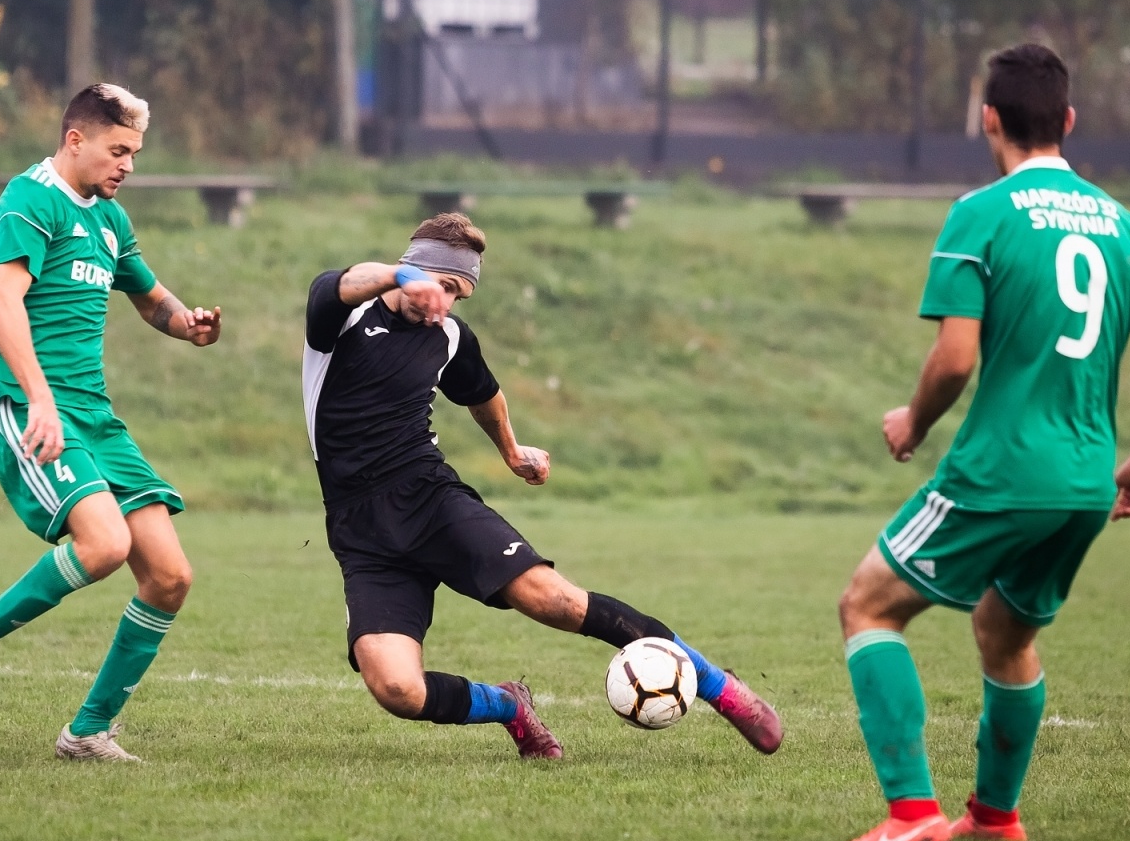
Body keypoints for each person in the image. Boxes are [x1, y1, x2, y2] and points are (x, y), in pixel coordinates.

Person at [836, 44, 1130, 841]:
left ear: (988, 119)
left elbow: (956, 357)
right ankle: (995, 819)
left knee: (867, 605)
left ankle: (910, 812)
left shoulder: (982, 213)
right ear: (1068, 121)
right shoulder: (1121, 224)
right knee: (1006, 633)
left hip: (1001, 471)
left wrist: (914, 423)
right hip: (1085, 482)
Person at [302, 211, 782, 759]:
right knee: (397, 690)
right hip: (359, 529)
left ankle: (721, 688)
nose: (446, 303)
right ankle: (510, 705)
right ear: (413, 270)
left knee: (553, 600)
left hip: (429, 497)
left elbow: (484, 394)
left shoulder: (451, 337)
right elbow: (337, 284)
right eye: (442, 285)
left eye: (459, 293)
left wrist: (511, 451)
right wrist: (403, 276)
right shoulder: (341, 317)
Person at [0, 84, 222, 762]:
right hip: (32, 406)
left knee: (170, 575)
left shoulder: (110, 220)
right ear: (76, 139)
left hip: (94, 416)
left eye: (136, 154)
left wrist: (189, 324)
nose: (128, 165)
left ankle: (88, 731)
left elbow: (150, 300)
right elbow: (3, 303)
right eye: (119, 150)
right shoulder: (29, 200)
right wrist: (40, 399)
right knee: (105, 544)